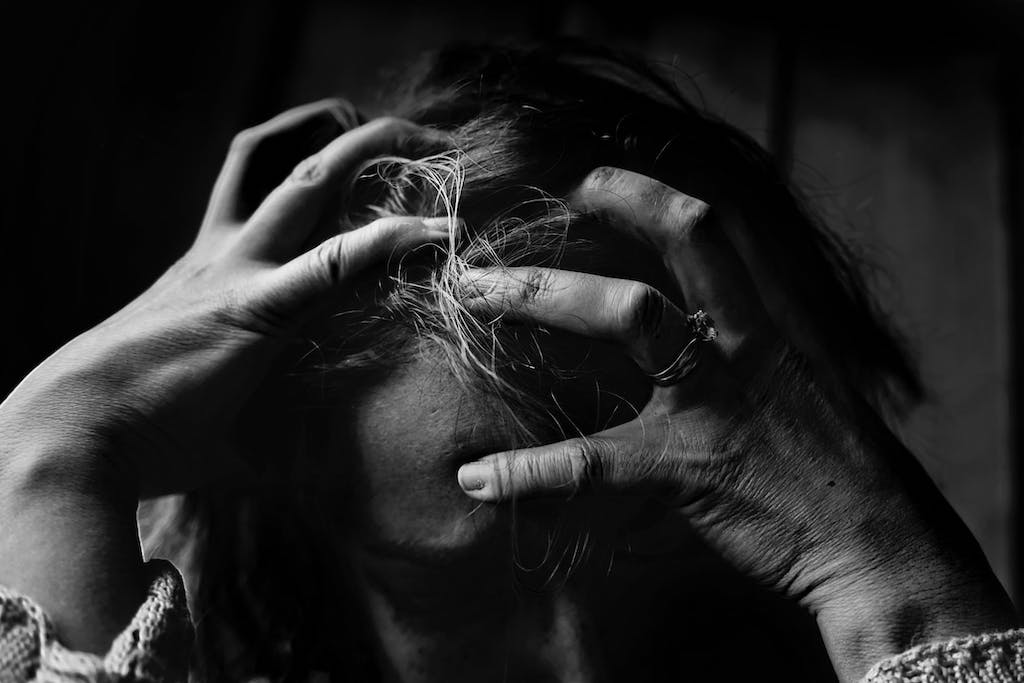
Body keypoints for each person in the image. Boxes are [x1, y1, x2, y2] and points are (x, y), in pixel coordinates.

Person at [0, 41, 1020, 683]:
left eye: (692, 594)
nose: (586, 672)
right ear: (313, 541)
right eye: (456, 596)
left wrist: (898, 587)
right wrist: (49, 454)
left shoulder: (872, 601)